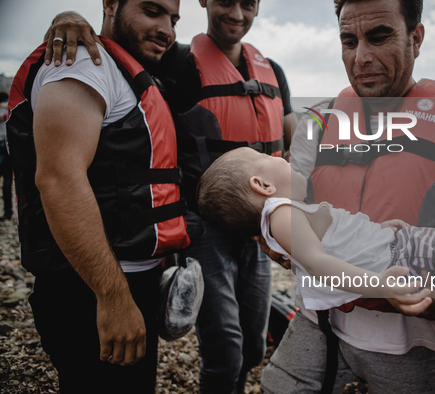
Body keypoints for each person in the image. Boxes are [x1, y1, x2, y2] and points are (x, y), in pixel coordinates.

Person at [44, 1, 293, 392]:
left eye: (248, 3)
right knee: (224, 348)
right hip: (205, 230)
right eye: (227, 0)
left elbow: (294, 136)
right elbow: (114, 48)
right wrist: (68, 20)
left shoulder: (272, 71)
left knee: (254, 345)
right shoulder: (176, 62)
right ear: (205, 1)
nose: (237, 12)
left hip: (261, 228)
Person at [198, 146, 435, 394]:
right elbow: (319, 263)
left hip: (400, 247)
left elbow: (337, 240)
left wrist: (379, 231)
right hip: (408, 254)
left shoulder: (286, 213)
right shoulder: (278, 212)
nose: (281, 157)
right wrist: (379, 283)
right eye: (269, 158)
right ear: (261, 183)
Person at [262, 0, 435, 392]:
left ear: (416, 37)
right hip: (317, 318)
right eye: (348, 41)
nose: (361, 57)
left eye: (379, 37)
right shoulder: (316, 124)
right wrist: (275, 239)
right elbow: (283, 214)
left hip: (410, 341)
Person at [6, 1, 190, 393]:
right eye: (152, 10)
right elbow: (58, 179)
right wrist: (113, 298)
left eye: (173, 19)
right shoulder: (81, 64)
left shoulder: (123, 68)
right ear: (111, 3)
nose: (167, 30)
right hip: (90, 287)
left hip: (123, 280)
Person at [0, 91, 12, 220]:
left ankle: (8, 211)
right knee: (7, 183)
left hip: (4, 145)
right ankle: (8, 211)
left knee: (7, 183)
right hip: (7, 145)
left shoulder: (7, 108)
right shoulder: (10, 107)